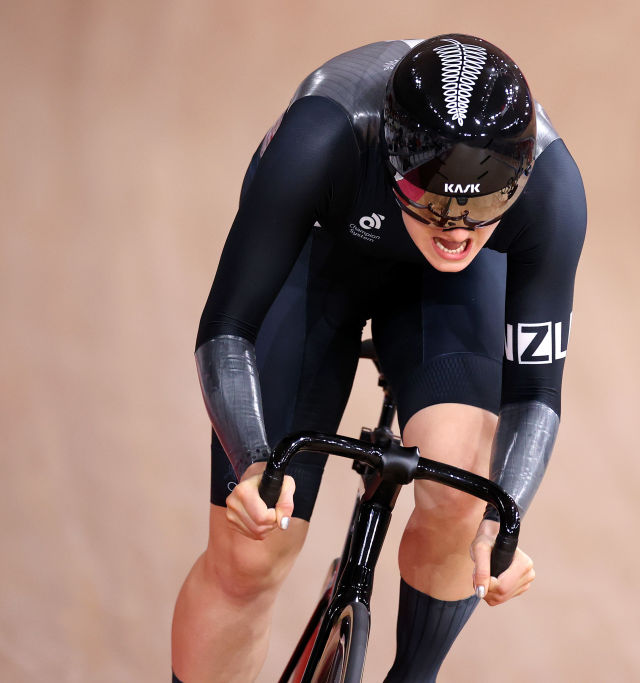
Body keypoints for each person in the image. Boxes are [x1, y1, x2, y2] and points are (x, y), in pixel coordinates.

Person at [171, 34, 586, 682]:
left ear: (519, 177)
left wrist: (498, 529)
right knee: (248, 555)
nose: (456, 229)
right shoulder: (321, 138)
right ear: (392, 156)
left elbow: (534, 394)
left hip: (445, 294)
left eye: (481, 206)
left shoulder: (552, 190)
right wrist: (254, 459)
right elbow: (227, 328)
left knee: (460, 489)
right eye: (434, 197)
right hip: (324, 251)